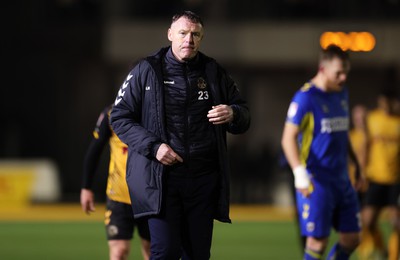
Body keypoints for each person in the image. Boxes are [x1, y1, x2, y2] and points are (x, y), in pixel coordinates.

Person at [109, 10, 250, 260]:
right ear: (170, 34)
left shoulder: (213, 72)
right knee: (165, 252)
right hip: (162, 179)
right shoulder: (146, 70)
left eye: (195, 34)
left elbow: (244, 114)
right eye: (183, 33)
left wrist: (234, 113)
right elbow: (119, 117)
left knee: (197, 256)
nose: (189, 40)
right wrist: (155, 148)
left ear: (202, 37)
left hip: (203, 179)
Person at [281, 45, 362, 260]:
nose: (343, 77)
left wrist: (357, 166)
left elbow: (342, 133)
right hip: (316, 182)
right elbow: (287, 138)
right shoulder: (305, 98)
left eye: (346, 72)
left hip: (342, 179)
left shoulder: (341, 92)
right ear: (322, 69)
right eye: (338, 73)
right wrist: (299, 173)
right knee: (317, 242)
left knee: (352, 238)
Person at [80, 105, 151, 260]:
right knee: (119, 252)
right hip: (119, 196)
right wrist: (86, 187)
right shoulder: (113, 114)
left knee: (152, 252)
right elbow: (95, 149)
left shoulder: (153, 112)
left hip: (150, 197)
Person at [358, 90, 400, 260]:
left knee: (396, 222)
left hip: (396, 179)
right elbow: (365, 147)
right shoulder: (373, 119)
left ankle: (393, 256)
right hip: (375, 178)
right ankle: (381, 247)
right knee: (367, 221)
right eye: (384, 102)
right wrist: (362, 171)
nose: (387, 106)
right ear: (380, 102)